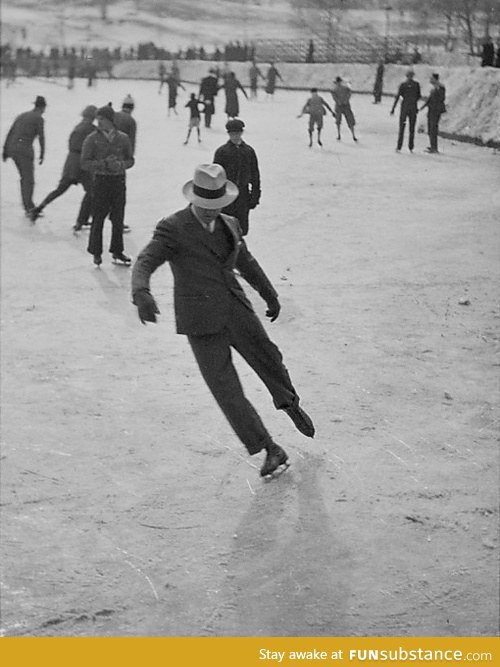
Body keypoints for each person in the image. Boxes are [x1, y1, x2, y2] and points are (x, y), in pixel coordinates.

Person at [131, 163, 315, 479]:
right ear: (194, 200)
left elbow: (246, 261)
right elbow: (146, 259)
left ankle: (288, 402)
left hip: (235, 307)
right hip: (201, 321)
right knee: (225, 389)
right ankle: (269, 448)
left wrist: (269, 294)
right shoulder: (172, 228)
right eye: (204, 207)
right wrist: (141, 291)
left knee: (269, 357)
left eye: (215, 207)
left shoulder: (229, 223)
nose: (209, 213)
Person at [81, 105, 134, 266]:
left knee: (118, 218)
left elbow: (131, 160)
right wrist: (103, 164)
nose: (99, 123)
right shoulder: (92, 138)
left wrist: (120, 165)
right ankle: (96, 252)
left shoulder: (123, 138)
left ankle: (117, 250)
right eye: (98, 119)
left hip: (118, 182)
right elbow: (84, 163)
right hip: (101, 182)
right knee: (98, 218)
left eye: (102, 119)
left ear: (111, 120)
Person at [29, 105, 97, 230]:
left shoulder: (78, 126)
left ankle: (39, 208)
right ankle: (81, 222)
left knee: (60, 189)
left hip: (70, 162)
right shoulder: (92, 129)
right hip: (82, 164)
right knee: (92, 191)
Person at [213, 119, 260, 236]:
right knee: (225, 229)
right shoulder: (222, 151)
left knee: (241, 228)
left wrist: (255, 195)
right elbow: (215, 175)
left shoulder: (249, 151)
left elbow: (255, 175)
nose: (235, 136)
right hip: (226, 196)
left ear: (241, 133)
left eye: (237, 133)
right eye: (232, 134)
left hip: (242, 196)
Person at [2, 95, 46, 216]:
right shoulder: (39, 119)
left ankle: (27, 204)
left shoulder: (22, 116)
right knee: (28, 179)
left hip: (13, 148)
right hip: (24, 150)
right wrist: (42, 153)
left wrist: (5, 150)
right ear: (43, 107)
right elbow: (41, 137)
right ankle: (29, 207)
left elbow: (11, 131)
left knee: (24, 178)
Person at [113, 94, 137, 232]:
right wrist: (129, 159)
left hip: (105, 157)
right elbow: (131, 143)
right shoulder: (131, 121)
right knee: (119, 195)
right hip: (120, 162)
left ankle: (83, 218)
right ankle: (118, 223)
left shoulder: (114, 116)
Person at [390, 69, 421, 152]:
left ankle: (399, 146)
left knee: (402, 127)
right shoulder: (416, 85)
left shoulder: (403, 85)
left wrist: (393, 108)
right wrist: (413, 101)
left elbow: (398, 97)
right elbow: (419, 96)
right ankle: (411, 146)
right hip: (413, 108)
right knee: (412, 128)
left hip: (404, 108)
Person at [419, 73, 446, 154]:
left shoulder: (440, 88)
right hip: (431, 111)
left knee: (433, 129)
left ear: (435, 79)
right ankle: (432, 146)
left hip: (436, 111)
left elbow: (441, 99)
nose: (430, 80)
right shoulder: (433, 89)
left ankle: (434, 148)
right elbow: (429, 100)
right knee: (431, 129)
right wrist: (423, 107)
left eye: (431, 78)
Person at [331, 76, 358, 142]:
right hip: (345, 106)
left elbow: (335, 98)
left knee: (340, 121)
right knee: (348, 120)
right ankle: (352, 135)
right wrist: (345, 100)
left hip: (340, 106)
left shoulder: (335, 90)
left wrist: (339, 101)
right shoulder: (344, 88)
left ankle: (340, 134)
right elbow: (349, 93)